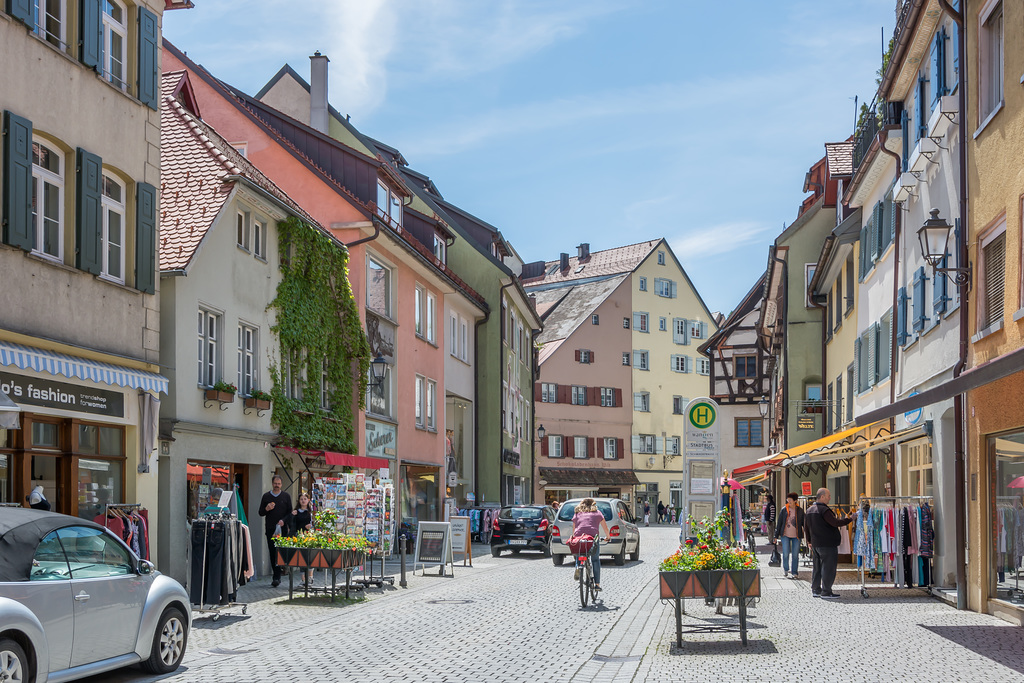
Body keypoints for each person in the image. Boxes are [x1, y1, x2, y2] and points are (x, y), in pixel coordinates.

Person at [804, 487, 855, 599]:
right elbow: (835, 522)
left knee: (817, 568)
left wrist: (809, 541)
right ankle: (826, 591)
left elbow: (806, 527)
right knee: (828, 568)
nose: (830, 498)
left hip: (816, 544)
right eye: (828, 496)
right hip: (827, 544)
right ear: (822, 497)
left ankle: (816, 589)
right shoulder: (824, 510)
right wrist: (850, 519)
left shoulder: (809, 510)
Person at [258, 475, 293, 587]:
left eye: (279, 483)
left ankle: (283, 570)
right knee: (273, 552)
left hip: (282, 529)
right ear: (272, 484)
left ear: (281, 484)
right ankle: (276, 576)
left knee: (281, 552)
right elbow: (260, 513)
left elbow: (290, 512)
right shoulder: (266, 496)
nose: (277, 485)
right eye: (275, 483)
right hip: (270, 529)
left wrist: (284, 520)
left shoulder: (286, 496)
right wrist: (267, 509)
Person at [570, 498, 610, 591]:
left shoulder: (577, 514)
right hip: (592, 539)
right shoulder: (597, 513)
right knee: (595, 560)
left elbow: (574, 529)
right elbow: (605, 528)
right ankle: (597, 584)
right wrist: (608, 537)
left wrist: (573, 537)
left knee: (579, 552)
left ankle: (578, 567)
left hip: (580, 538)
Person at [774, 492, 804, 579]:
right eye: (788, 500)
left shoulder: (800, 511)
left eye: (790, 500)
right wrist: (776, 536)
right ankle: (786, 570)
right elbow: (779, 523)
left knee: (795, 555)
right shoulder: (784, 510)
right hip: (785, 535)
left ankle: (794, 572)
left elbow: (804, 523)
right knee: (786, 553)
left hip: (796, 536)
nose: (789, 502)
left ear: (795, 501)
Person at [291, 492, 314, 586]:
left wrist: (311, 526)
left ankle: (310, 578)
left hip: (309, 537)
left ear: (308, 500)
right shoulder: (296, 512)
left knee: (310, 557)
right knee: (301, 558)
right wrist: (292, 515)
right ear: (299, 501)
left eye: (305, 499)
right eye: (301, 499)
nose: (303, 501)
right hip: (299, 537)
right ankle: (303, 580)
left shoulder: (311, 512)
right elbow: (292, 524)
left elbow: (316, 523)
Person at [763, 493, 779, 566]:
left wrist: (770, 520)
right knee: (770, 531)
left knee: (770, 531)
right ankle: (771, 540)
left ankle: (771, 540)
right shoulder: (770, 504)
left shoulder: (771, 504)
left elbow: (772, 513)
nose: (766, 500)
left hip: (770, 520)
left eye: (767, 498)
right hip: (769, 520)